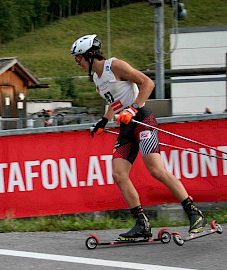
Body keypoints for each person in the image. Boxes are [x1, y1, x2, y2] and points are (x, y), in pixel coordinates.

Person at [70, 34, 207, 240]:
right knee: (118, 173)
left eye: (78, 58)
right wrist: (103, 121)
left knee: (156, 169)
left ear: (89, 55)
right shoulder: (98, 78)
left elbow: (147, 84)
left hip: (142, 119)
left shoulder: (114, 66)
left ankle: (194, 213)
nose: (77, 63)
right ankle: (142, 224)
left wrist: (134, 108)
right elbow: (114, 102)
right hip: (126, 127)